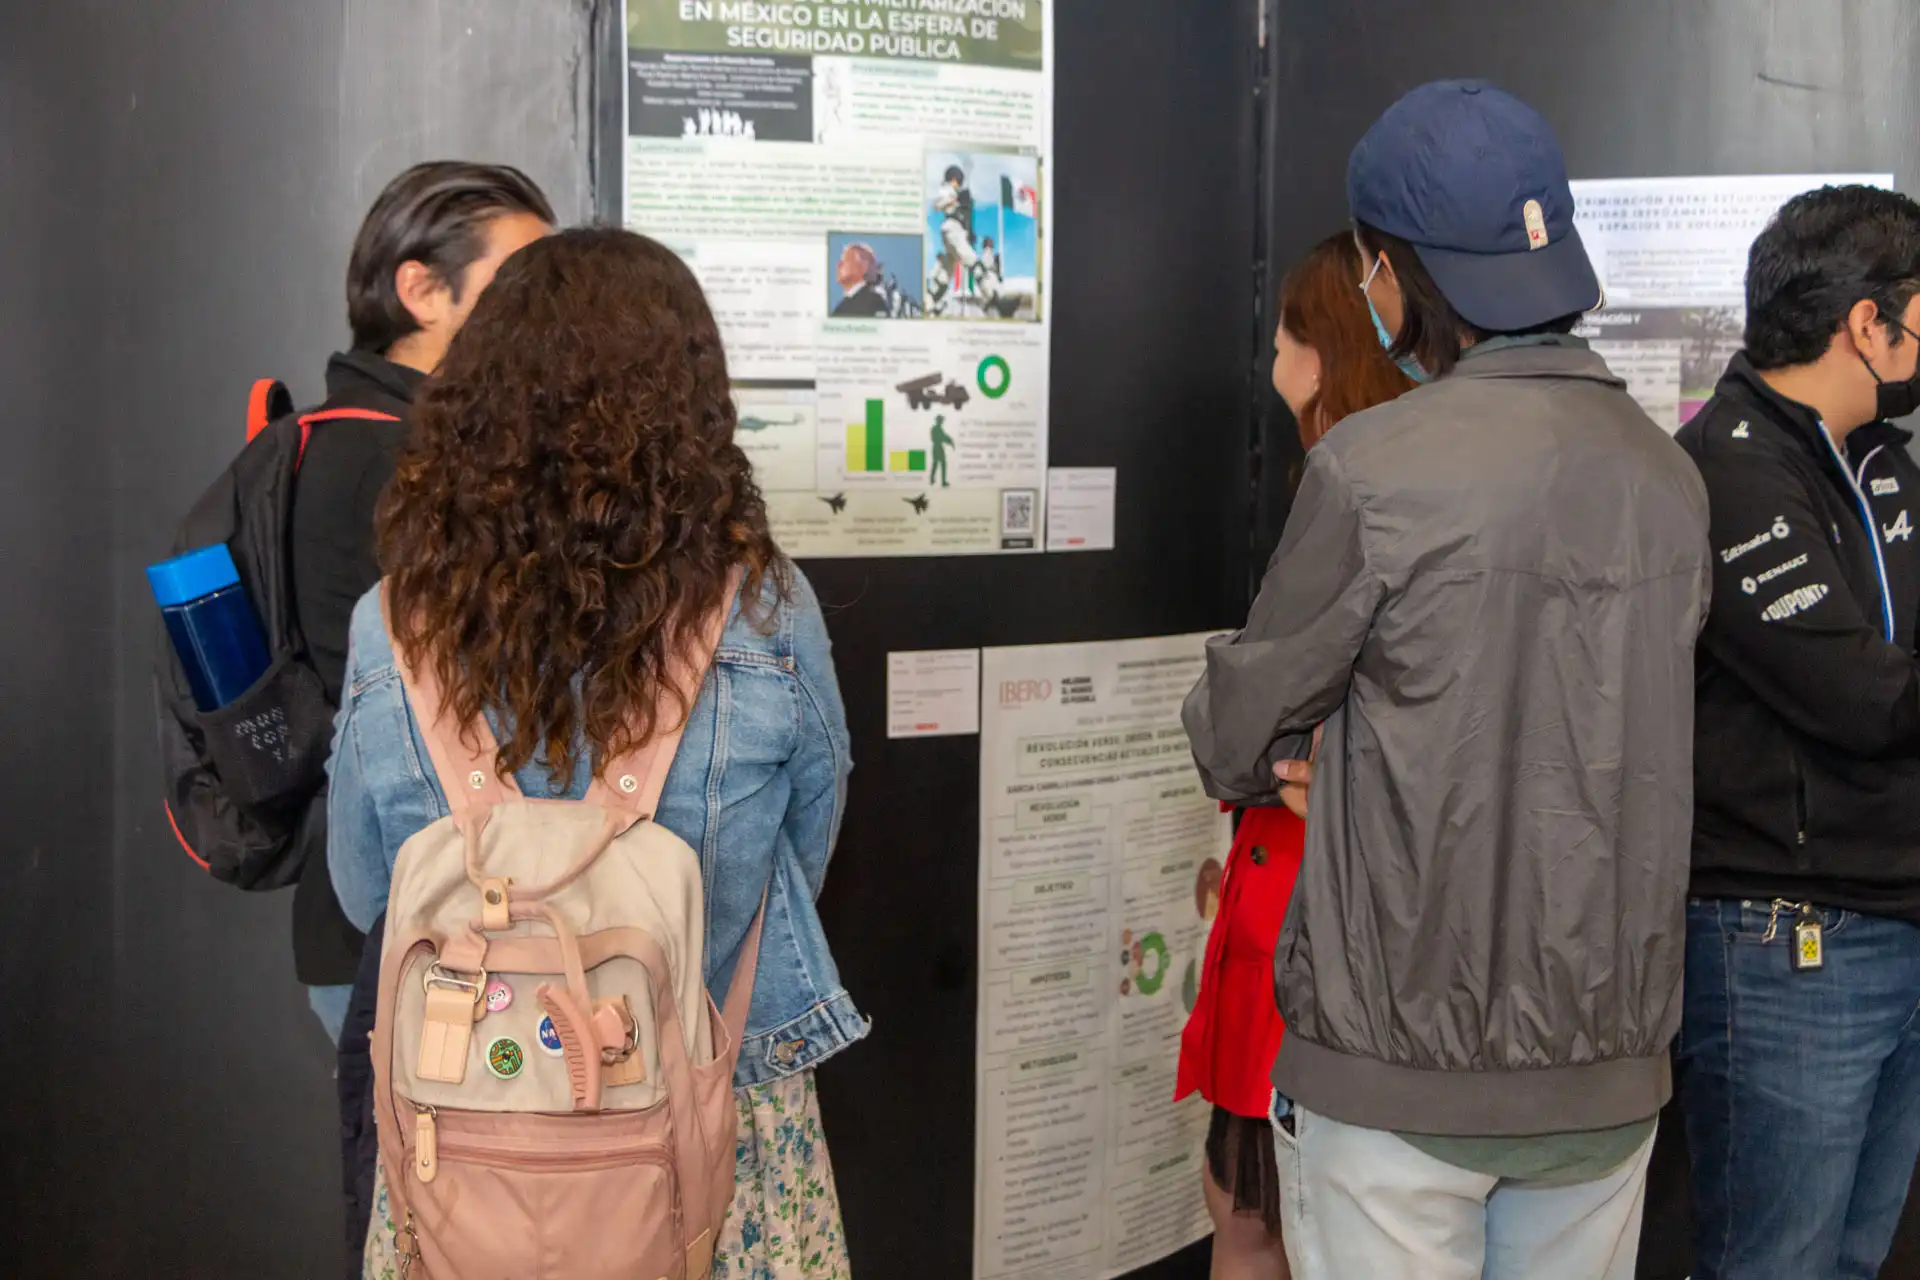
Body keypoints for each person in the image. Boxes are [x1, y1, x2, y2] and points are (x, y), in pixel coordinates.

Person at [1182, 80, 1711, 1280]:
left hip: (1394, 1066)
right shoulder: (1667, 476)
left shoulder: (1374, 469)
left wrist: (1304, 753)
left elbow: (1234, 731)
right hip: (1608, 1070)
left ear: (1390, 272)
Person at [329, 228, 864, 1279]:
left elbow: (363, 889)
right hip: (720, 1115)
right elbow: (808, 844)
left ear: (477, 403)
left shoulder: (389, 628)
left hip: (466, 1124)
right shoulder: (765, 610)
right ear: (694, 408)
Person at [1673, 185, 1920, 1280]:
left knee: (1856, 1257)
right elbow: (1865, 699)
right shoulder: (1725, 468)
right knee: (1777, 1262)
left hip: (1896, 918)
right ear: (1869, 322)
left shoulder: (1878, 459)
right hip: (1790, 945)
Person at [1174, 232, 1412, 1280]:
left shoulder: (1355, 498)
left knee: (1258, 1217)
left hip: (1317, 939)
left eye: (1283, 333)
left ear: (1322, 351)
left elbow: (1236, 725)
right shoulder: (1397, 492)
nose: (1271, 359)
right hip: (1293, 901)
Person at [291, 160, 553, 1042]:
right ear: (420, 290)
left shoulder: (341, 442)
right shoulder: (408, 466)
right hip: (422, 937)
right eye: (519, 281)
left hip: (404, 923)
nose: (544, 310)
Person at [831, 241, 889, 317]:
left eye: (845, 261)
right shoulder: (843, 305)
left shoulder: (873, 301)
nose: (838, 265)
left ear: (864, 266)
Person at [930, 414, 956, 487]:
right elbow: (942, 437)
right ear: (939, 421)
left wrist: (949, 441)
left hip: (936, 447)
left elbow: (943, 436)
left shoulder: (936, 428)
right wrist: (950, 441)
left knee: (936, 464)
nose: (942, 421)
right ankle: (942, 482)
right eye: (941, 420)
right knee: (942, 464)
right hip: (937, 447)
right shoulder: (937, 429)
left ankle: (932, 480)